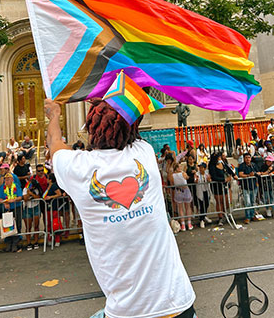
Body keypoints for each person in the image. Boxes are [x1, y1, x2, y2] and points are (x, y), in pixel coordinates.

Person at [45, 97, 196, 318]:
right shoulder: (144, 154)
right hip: (178, 304)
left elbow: (54, 143)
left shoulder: (78, 168)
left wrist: (55, 115)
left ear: (90, 129)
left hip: (128, 312)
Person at [0, 173, 23, 252]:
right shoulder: (2, 188)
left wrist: (14, 200)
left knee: (16, 225)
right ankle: (8, 243)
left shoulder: (16, 186)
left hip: (16, 207)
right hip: (6, 209)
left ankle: (15, 243)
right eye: (5, 179)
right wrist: (4, 202)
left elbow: (20, 197)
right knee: (7, 226)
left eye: (8, 179)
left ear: (12, 180)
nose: (6, 181)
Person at [209, 153, 233, 226]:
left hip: (226, 186)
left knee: (228, 201)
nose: (220, 159)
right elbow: (214, 177)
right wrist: (224, 179)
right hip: (217, 186)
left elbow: (229, 170)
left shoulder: (223, 163)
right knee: (219, 202)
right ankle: (220, 217)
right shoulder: (212, 166)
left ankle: (227, 213)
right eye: (218, 158)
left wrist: (234, 175)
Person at [170, 163, 193, 231]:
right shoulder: (183, 173)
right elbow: (187, 178)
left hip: (178, 190)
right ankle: (189, 223)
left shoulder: (172, 175)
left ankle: (183, 225)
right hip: (185, 190)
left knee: (180, 208)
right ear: (177, 168)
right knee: (187, 207)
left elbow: (172, 183)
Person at [238, 153, 258, 224]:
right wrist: (249, 175)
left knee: (253, 202)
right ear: (244, 158)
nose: (248, 159)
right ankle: (248, 217)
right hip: (246, 187)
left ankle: (252, 215)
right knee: (247, 203)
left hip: (254, 186)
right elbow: (240, 174)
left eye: (249, 157)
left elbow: (258, 172)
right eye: (246, 157)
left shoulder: (253, 165)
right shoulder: (242, 166)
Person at [23, 178, 42, 250]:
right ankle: (28, 242)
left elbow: (38, 197)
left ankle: (36, 241)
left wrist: (32, 194)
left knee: (36, 226)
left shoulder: (37, 189)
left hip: (36, 208)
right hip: (27, 208)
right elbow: (25, 198)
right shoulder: (25, 189)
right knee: (28, 227)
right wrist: (28, 193)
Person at [45, 173, 62, 247]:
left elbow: (59, 194)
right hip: (49, 207)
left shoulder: (54, 186)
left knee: (55, 224)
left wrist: (51, 197)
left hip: (54, 207)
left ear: (50, 179)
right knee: (49, 224)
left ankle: (57, 239)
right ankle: (50, 238)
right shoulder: (49, 186)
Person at [194, 163, 212, 228]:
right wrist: (196, 179)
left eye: (202, 167)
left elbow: (210, 180)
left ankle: (204, 216)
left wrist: (209, 179)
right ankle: (201, 219)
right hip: (200, 191)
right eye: (200, 167)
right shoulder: (197, 174)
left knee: (206, 204)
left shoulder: (207, 173)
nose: (200, 169)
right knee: (201, 205)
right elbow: (195, 181)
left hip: (206, 190)